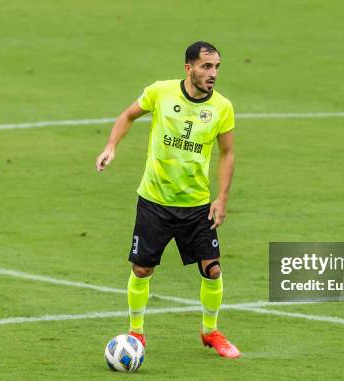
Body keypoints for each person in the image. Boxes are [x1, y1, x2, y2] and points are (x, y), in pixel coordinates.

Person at [95, 41, 240, 358]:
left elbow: (227, 153)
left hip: (197, 204)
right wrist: (110, 147)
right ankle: (136, 334)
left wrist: (222, 197)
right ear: (189, 68)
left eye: (216, 67)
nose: (213, 73)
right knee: (142, 270)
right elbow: (128, 115)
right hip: (155, 201)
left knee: (212, 269)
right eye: (206, 67)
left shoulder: (222, 107)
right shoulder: (160, 92)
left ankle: (211, 332)